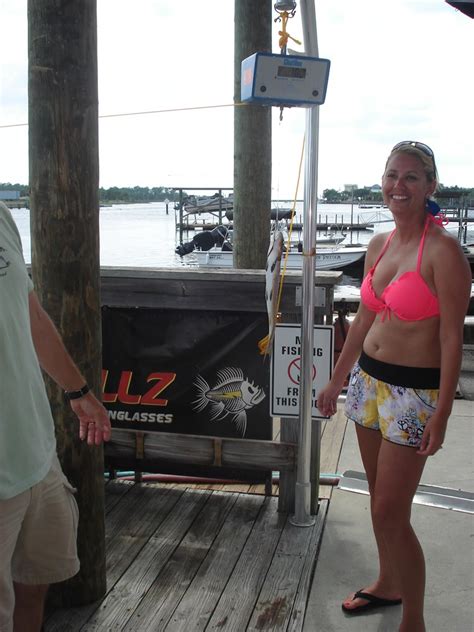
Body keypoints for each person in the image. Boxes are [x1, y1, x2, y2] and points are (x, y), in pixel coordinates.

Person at [317, 142, 471, 632]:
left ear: (431, 185)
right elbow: (363, 317)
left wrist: (442, 414)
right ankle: (388, 582)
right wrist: (336, 381)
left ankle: (416, 621)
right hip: (368, 384)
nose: (397, 186)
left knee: (390, 511)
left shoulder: (445, 252)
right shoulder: (378, 244)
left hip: (413, 395)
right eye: (391, 175)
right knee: (380, 502)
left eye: (410, 177)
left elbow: (451, 338)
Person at [0, 200, 112, 632]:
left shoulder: (3, 217)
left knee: (35, 585)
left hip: (36, 452)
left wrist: (78, 391)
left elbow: (31, 315)